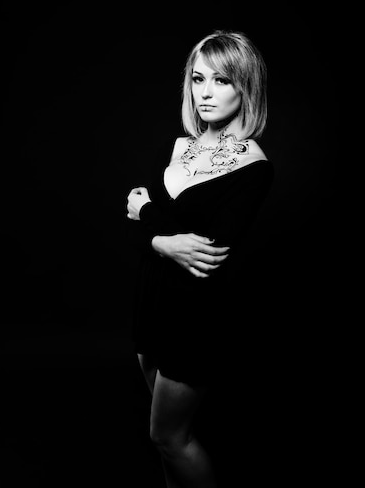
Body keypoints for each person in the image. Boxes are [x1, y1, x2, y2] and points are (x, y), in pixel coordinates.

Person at [126, 29, 273, 487]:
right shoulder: (177, 147)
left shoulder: (253, 165)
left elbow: (205, 251)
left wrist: (149, 222)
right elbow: (137, 224)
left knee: (169, 436)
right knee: (169, 440)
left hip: (195, 315)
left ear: (245, 87)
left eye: (221, 80)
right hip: (152, 302)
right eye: (197, 79)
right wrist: (160, 238)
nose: (205, 92)